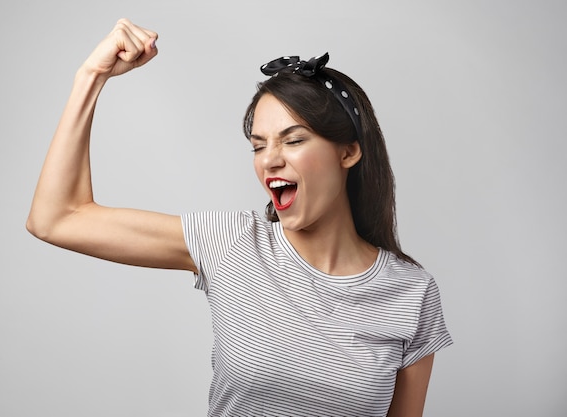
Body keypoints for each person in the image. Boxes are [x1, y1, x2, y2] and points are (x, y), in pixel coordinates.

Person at [27, 18, 452, 417]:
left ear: (349, 151)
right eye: (257, 145)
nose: (269, 160)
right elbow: (58, 218)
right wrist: (90, 77)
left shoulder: (411, 294)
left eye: (294, 140)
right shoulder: (234, 243)